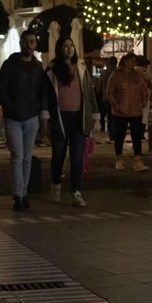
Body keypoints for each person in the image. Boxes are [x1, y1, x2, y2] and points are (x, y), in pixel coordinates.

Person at [0, 29, 51, 211]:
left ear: (35, 45)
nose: (29, 44)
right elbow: (1, 89)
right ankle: (18, 195)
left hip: (32, 117)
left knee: (27, 157)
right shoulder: (10, 65)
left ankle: (23, 192)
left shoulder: (38, 67)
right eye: (26, 41)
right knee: (17, 156)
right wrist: (11, 108)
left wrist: (42, 116)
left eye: (32, 41)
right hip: (13, 118)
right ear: (21, 43)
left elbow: (42, 91)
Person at [46, 38, 97, 206]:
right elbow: (46, 94)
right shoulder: (53, 69)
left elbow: (89, 93)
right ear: (59, 49)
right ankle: (56, 187)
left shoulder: (81, 67)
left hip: (79, 118)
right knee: (58, 155)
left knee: (77, 156)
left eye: (71, 45)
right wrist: (45, 116)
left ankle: (76, 192)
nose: (69, 49)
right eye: (65, 46)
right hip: (59, 118)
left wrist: (94, 114)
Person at [104, 53, 149, 171]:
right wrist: (116, 106)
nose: (133, 63)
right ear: (125, 61)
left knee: (136, 136)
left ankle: (138, 161)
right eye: (131, 60)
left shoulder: (137, 75)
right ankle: (119, 159)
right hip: (120, 111)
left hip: (136, 110)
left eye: (135, 61)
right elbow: (110, 92)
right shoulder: (116, 74)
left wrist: (143, 102)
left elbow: (144, 89)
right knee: (120, 136)